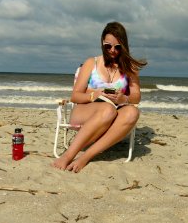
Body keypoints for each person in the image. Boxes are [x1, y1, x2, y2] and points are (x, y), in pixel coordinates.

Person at [52, 21, 147, 173]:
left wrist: (124, 99)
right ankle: (68, 156)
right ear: (102, 43)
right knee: (107, 109)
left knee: (132, 112)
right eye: (108, 46)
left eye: (117, 47)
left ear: (124, 45)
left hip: (113, 112)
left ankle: (86, 156)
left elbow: (136, 97)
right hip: (85, 111)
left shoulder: (129, 68)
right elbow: (75, 96)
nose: (112, 50)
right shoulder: (92, 63)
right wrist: (94, 94)